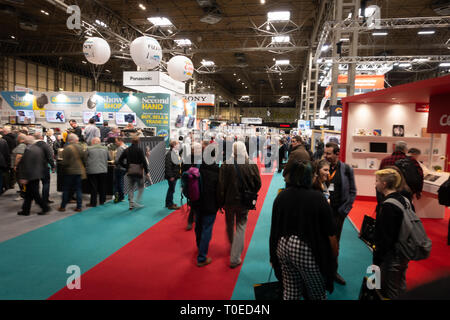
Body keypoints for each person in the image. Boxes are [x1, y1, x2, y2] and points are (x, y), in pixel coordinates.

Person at [270, 160, 338, 300]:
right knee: (317, 292)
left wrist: (273, 255)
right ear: (310, 176)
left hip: (282, 246)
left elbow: (274, 229)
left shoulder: (281, 196)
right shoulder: (318, 198)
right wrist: (333, 255)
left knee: (290, 291)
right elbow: (330, 232)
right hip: (305, 248)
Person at [218, 141, 262, 268]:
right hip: (244, 201)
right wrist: (251, 193)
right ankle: (235, 257)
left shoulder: (226, 164)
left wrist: (220, 202)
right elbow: (258, 183)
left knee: (229, 223)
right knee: (241, 226)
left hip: (229, 201)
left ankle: (233, 245)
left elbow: (221, 185)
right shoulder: (251, 164)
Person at [373, 168, 410, 299]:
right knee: (399, 283)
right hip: (404, 250)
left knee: (389, 289)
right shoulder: (404, 199)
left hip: (392, 254)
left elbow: (386, 237)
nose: (375, 184)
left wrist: (377, 258)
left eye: (377, 181)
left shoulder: (388, 205)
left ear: (384, 184)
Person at [323, 142, 356, 286]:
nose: (326, 156)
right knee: (320, 241)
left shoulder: (346, 169)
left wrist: (345, 210)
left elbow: (353, 191)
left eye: (329, 153)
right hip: (322, 212)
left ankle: (333, 271)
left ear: (337, 154)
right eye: (325, 153)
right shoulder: (322, 167)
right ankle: (320, 270)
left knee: (335, 244)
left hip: (338, 213)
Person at [191, 141, 220, 267]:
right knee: (207, 229)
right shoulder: (216, 170)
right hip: (210, 204)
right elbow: (219, 189)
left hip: (197, 202)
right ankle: (202, 257)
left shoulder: (197, 166)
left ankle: (199, 246)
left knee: (198, 225)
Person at [17, 135, 50, 216]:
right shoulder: (37, 149)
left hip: (31, 175)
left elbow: (27, 164)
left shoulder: (28, 150)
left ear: (26, 141)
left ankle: (45, 207)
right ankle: (26, 210)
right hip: (37, 173)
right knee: (29, 194)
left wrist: (24, 177)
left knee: (35, 194)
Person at [118, 135, 149, 210]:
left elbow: (120, 160)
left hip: (130, 171)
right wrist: (147, 171)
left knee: (130, 188)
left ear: (131, 141)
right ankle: (136, 201)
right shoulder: (139, 150)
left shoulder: (127, 150)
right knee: (141, 187)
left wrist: (126, 167)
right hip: (138, 172)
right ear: (138, 142)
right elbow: (144, 161)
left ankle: (131, 204)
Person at [58, 134, 86, 212]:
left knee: (66, 189)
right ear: (75, 140)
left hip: (69, 171)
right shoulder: (81, 148)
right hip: (79, 171)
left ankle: (63, 207)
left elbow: (65, 162)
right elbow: (84, 159)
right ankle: (79, 207)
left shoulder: (67, 148)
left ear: (69, 140)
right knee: (78, 189)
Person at [86, 137, 109, 207]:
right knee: (102, 186)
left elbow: (85, 158)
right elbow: (109, 158)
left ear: (93, 142)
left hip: (92, 170)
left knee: (93, 187)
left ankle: (93, 203)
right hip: (103, 170)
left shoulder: (89, 148)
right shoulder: (105, 148)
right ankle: (102, 201)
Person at [34, 132, 56, 205]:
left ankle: (37, 200)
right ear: (41, 138)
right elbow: (50, 157)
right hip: (43, 167)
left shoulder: (31, 145)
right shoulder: (45, 145)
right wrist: (53, 166)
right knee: (46, 183)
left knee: (35, 185)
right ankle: (45, 199)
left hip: (34, 168)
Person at [165, 140, 181, 210]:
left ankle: (168, 202)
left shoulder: (174, 153)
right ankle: (169, 204)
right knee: (171, 189)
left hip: (175, 174)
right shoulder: (170, 154)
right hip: (172, 175)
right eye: (177, 144)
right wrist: (171, 176)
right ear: (174, 145)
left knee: (171, 189)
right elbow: (168, 166)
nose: (179, 145)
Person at [11, 134, 27, 201]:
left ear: (20, 139)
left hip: (20, 167)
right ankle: (23, 193)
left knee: (21, 181)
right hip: (21, 166)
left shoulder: (21, 145)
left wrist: (15, 165)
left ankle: (23, 195)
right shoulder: (23, 145)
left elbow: (19, 156)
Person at [113, 137, 127, 203]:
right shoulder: (126, 147)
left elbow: (117, 160)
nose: (115, 143)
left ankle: (117, 198)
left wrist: (113, 162)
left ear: (120, 141)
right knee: (121, 182)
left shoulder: (120, 148)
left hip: (119, 168)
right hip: (124, 168)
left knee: (117, 183)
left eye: (116, 141)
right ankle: (121, 197)